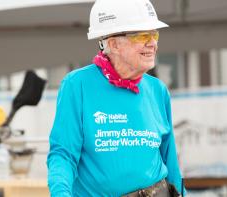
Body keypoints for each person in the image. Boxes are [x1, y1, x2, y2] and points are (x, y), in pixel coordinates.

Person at [47, 0, 186, 196]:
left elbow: (170, 158)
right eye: (142, 35)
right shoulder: (77, 85)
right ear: (113, 44)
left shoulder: (157, 90)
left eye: (154, 34)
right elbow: (63, 155)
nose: (152, 43)